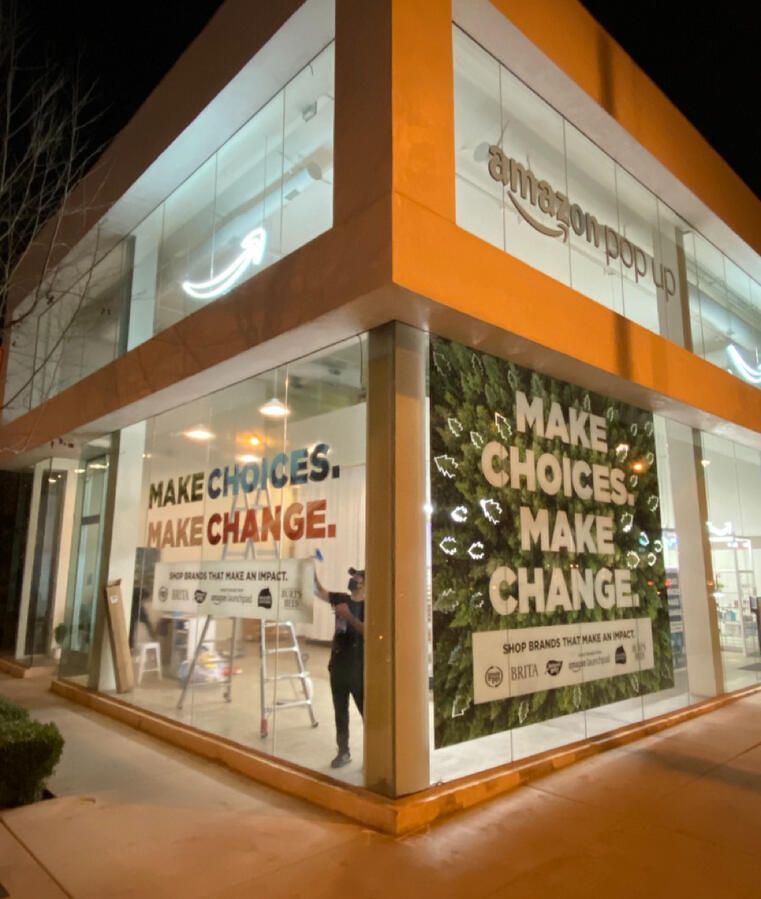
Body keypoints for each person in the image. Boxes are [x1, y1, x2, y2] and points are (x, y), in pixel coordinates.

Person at [314, 566, 365, 768]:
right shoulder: (341, 598)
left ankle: (375, 754)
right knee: (340, 713)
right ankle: (343, 751)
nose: (353, 580)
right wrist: (311, 572)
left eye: (358, 577)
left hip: (358, 668)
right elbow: (319, 591)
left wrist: (349, 617)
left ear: (365, 583)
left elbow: (370, 632)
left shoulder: (371, 605)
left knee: (367, 713)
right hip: (338, 666)